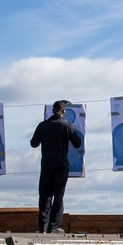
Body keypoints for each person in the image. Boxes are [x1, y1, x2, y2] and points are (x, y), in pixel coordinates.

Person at [30, 100, 83, 233]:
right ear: (63, 111)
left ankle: (42, 225)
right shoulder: (67, 125)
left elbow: (33, 143)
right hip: (61, 163)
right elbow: (77, 143)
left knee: (45, 194)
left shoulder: (43, 125)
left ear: (52, 110)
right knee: (58, 195)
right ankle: (54, 226)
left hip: (47, 163)